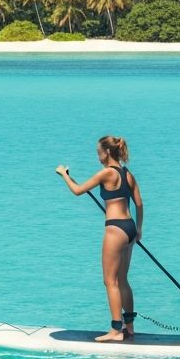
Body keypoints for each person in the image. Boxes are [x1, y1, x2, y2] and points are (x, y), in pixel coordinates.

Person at [56, 136, 144, 342]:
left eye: (99, 152)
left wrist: (64, 175)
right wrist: (139, 229)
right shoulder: (127, 174)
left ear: (107, 152)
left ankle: (116, 331)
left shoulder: (106, 173)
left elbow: (77, 191)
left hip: (115, 230)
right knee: (122, 279)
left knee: (110, 281)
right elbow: (139, 204)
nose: (97, 155)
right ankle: (129, 326)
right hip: (129, 228)